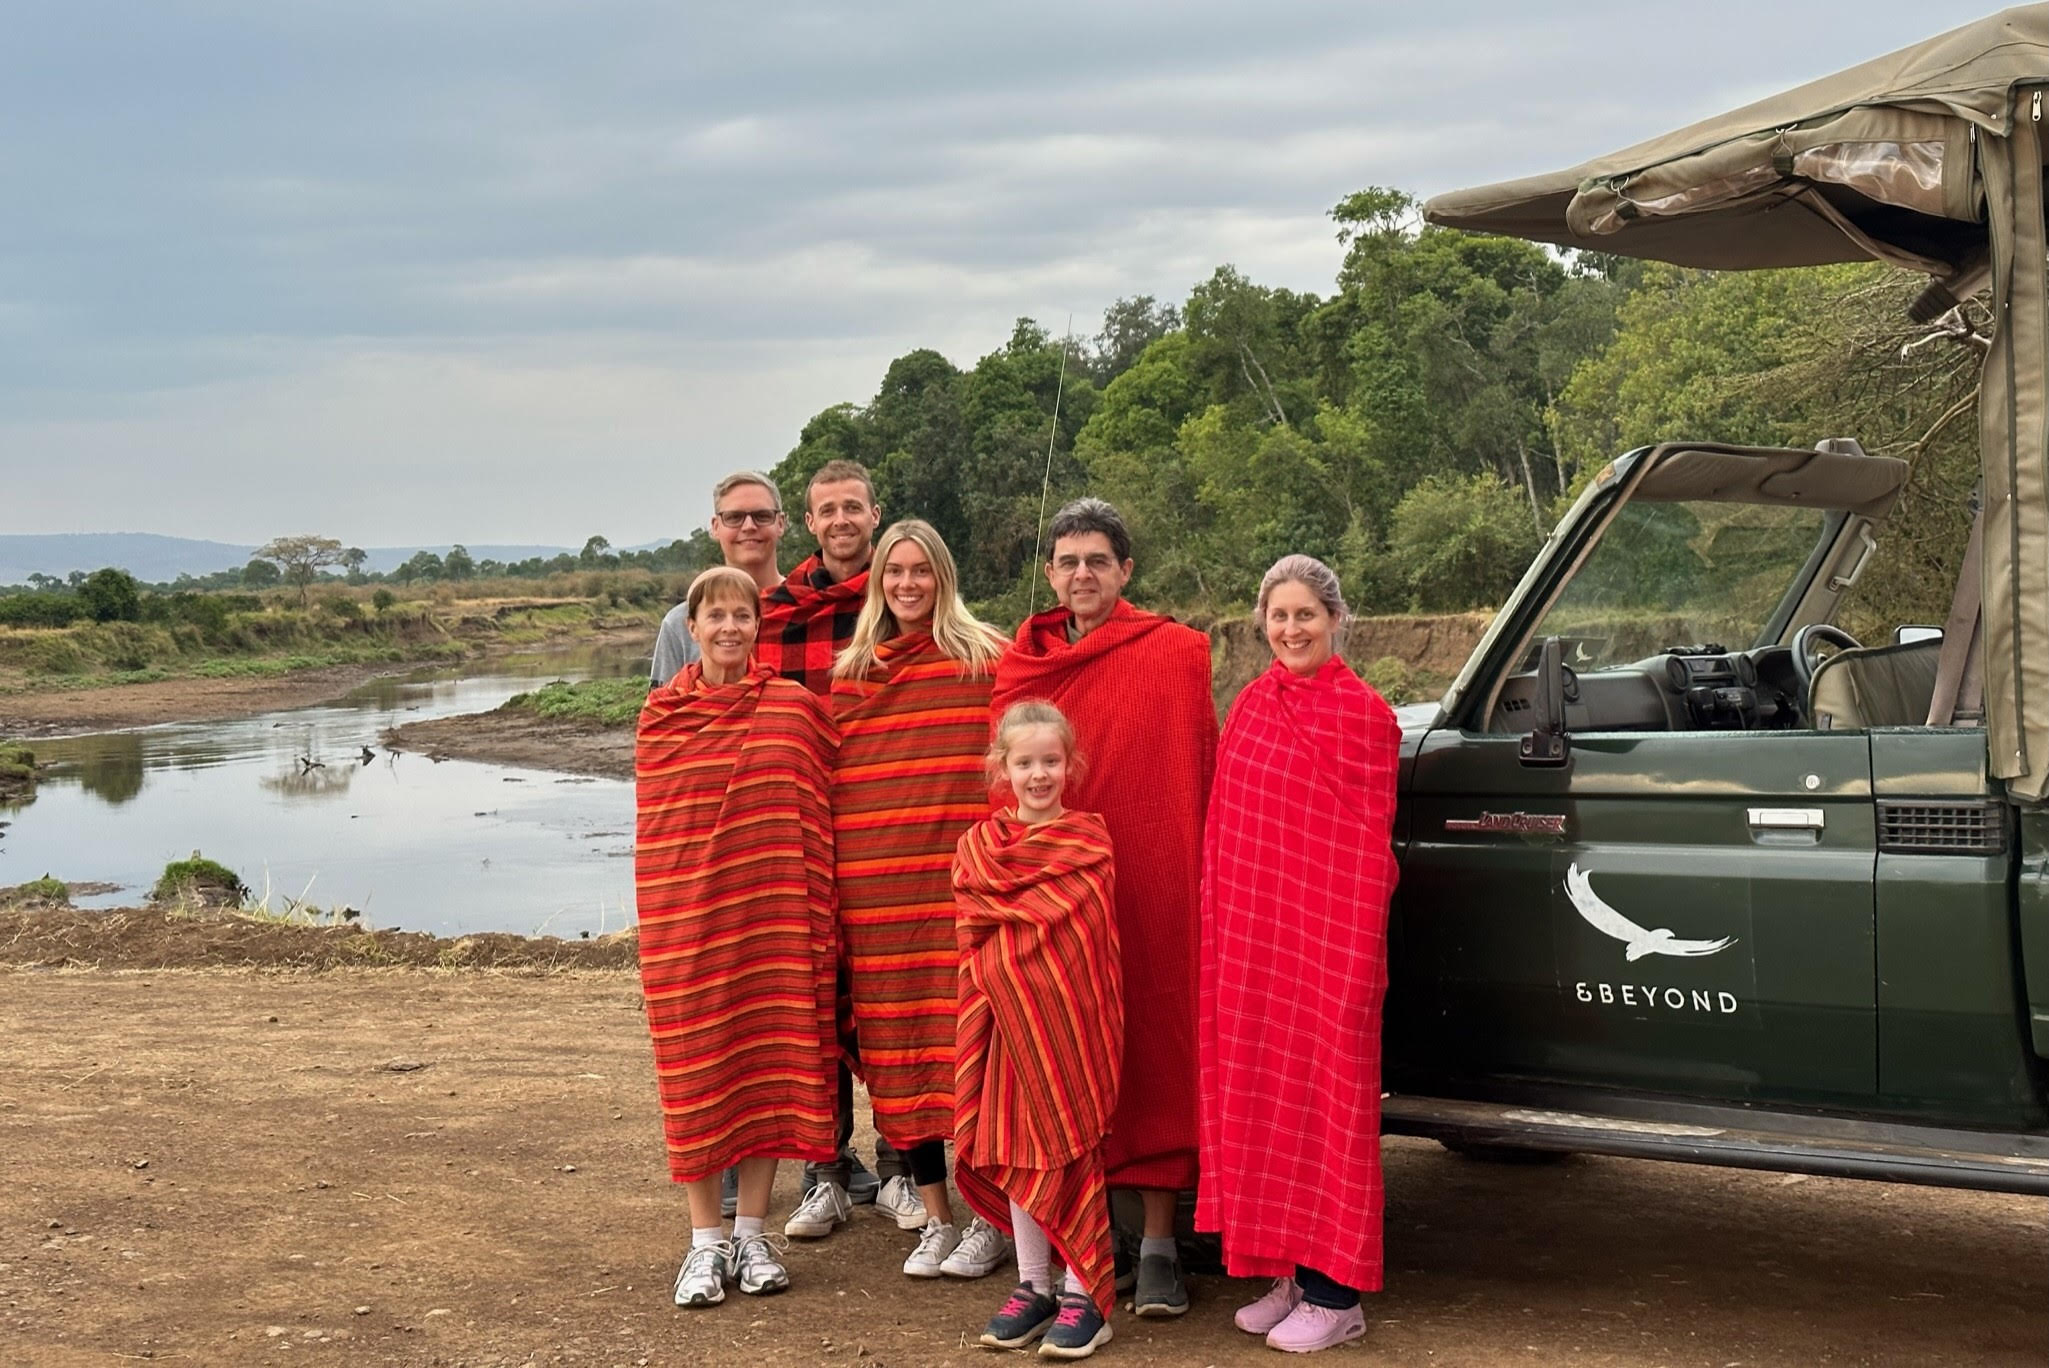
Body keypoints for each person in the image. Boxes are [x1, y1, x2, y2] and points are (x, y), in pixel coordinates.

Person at [989, 497, 1217, 1319]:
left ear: (1126, 570)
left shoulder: (1176, 653)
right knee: (1059, 1062)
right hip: (1051, 901)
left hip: (1151, 887)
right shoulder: (1021, 666)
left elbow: (1196, 772)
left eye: (1097, 560)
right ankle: (1081, 1248)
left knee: (1155, 1051)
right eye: (1067, 561)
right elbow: (1003, 787)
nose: (1081, 574)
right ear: (1048, 574)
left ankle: (1158, 1245)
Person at [1198, 555, 1400, 1354]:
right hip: (1257, 945)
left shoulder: (1363, 715)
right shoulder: (1250, 705)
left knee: (1328, 1107)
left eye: (1305, 615)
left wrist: (1344, 956)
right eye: (1278, 617)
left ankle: (1336, 1292)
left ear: (1335, 619)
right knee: (1264, 1095)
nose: (1290, 630)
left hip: (1329, 946)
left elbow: (1360, 851)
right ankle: (1288, 1271)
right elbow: (1231, 835)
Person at [633, 566, 840, 1308]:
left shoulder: (793, 709)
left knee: (767, 1065)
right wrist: (667, 919)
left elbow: (819, 806)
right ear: (692, 627)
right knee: (699, 1070)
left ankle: (752, 1232)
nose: (728, 628)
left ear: (760, 627)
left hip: (774, 919)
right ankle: (703, 1244)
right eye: (714, 616)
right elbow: (660, 834)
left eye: (741, 616)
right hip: (689, 924)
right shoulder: (662, 717)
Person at [828, 519, 1015, 1280]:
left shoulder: (985, 660)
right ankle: (936, 1218)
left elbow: (1014, 765)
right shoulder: (854, 674)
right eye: (894, 572)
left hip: (961, 895)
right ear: (878, 581)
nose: (907, 585)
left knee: (977, 1054)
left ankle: (993, 1221)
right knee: (902, 1057)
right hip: (878, 899)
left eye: (921, 571)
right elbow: (837, 780)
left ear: (943, 577)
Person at [763, 458, 907, 1238]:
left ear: (874, 514)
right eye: (828, 509)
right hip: (803, 828)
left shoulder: (908, 597)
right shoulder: (776, 615)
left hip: (888, 823)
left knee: (888, 995)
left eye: (854, 505)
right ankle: (823, 1168)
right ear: (810, 523)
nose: (842, 519)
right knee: (814, 996)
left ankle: (900, 1165)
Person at [953, 702, 1124, 1360]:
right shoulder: (978, 849)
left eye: (1050, 761)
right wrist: (1005, 975)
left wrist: (1016, 967)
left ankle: (1086, 1295)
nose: (1038, 774)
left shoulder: (1086, 843)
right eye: (1024, 762)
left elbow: (1079, 944)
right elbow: (975, 937)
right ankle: (1034, 1286)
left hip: (1068, 1029)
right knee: (1016, 1152)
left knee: (1069, 1146)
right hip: (1000, 1028)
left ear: (1070, 765)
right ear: (1001, 767)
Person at [650, 470, 787, 687]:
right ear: (715, 527)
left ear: (780, 523)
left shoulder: (809, 612)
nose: (749, 526)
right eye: (734, 517)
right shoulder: (679, 623)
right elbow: (662, 712)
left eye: (762, 516)